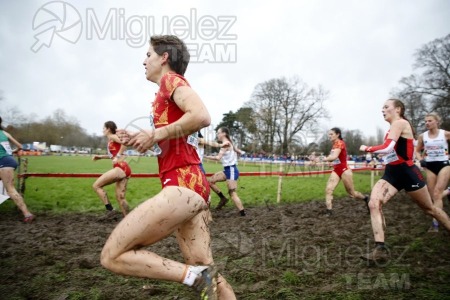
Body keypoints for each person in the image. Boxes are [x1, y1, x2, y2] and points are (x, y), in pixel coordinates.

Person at [100, 35, 236, 299]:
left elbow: (202, 116)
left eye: (148, 55)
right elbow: (175, 138)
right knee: (209, 270)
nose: (143, 61)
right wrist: (144, 137)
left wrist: (157, 134)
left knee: (112, 255)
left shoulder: (171, 81)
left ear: (164, 58)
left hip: (183, 184)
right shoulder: (161, 94)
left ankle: (193, 277)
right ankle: (200, 275)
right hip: (194, 186)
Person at [359, 99, 450, 262]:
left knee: (430, 209)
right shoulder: (392, 128)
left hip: (408, 173)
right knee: (374, 203)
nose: (383, 109)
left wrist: (367, 148)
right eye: (382, 107)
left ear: (398, 109)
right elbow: (390, 151)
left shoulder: (400, 123)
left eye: (386, 107)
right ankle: (380, 248)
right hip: (392, 173)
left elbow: (386, 147)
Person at [414, 113, 450, 232]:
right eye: (425, 121)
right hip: (429, 166)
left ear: (436, 122)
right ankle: (449, 191)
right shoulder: (423, 136)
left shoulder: (445, 134)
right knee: (433, 196)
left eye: (430, 121)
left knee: (437, 193)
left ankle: (435, 223)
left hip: (444, 164)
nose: (427, 123)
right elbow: (417, 150)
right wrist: (420, 160)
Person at [322, 127, 369, 216]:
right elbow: (333, 158)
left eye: (331, 134)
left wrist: (324, 159)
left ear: (338, 134)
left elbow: (334, 156)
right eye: (329, 134)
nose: (329, 136)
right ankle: (329, 211)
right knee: (328, 189)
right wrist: (325, 160)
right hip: (336, 170)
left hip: (344, 170)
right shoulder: (334, 144)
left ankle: (365, 198)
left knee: (352, 193)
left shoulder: (340, 143)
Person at [204, 127, 246, 216]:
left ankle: (242, 213)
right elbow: (236, 150)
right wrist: (240, 152)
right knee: (210, 181)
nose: (217, 135)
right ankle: (223, 198)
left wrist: (205, 156)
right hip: (227, 170)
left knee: (232, 193)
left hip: (231, 170)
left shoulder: (226, 144)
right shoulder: (229, 143)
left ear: (224, 134)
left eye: (218, 133)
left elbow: (218, 158)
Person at [92, 121, 131, 218]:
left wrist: (117, 156)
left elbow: (125, 143)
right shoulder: (110, 139)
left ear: (108, 129)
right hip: (124, 168)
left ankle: (110, 210)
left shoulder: (112, 137)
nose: (102, 130)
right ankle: (130, 218)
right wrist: (100, 157)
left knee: (96, 186)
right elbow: (111, 155)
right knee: (120, 198)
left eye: (103, 128)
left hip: (120, 167)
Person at [0, 116, 35, 223]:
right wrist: (12, 153)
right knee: (9, 187)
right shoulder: (5, 133)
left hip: (3, 162)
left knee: (10, 189)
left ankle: (27, 214)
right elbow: (20, 146)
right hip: (10, 160)